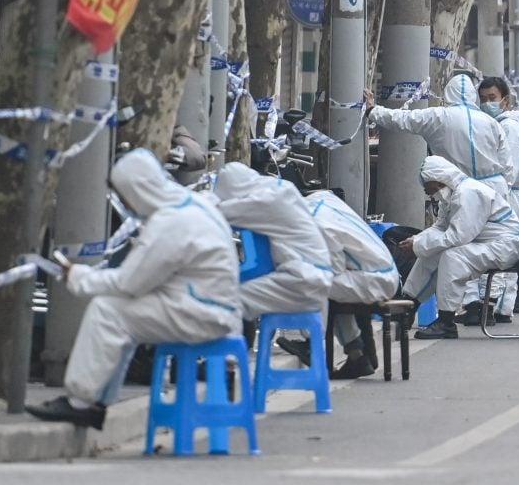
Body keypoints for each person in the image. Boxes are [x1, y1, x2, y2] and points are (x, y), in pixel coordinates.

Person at [25, 149, 242, 429]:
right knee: (124, 316)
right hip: (209, 307)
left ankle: (81, 401)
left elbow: (130, 283)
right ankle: (96, 399)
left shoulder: (170, 222)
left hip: (203, 314)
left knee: (108, 310)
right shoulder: (190, 205)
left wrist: (78, 277)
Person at [399, 156, 519, 339]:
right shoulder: (452, 194)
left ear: (438, 179)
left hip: (504, 246)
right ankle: (408, 304)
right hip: (484, 243)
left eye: (428, 185)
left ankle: (446, 321)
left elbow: (458, 236)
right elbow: (440, 228)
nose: (427, 191)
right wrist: (416, 241)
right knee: (432, 252)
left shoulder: (469, 193)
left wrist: (418, 245)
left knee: (453, 256)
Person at [299, 189, 400, 379]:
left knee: (315, 281)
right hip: (382, 273)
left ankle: (310, 342)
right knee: (334, 293)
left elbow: (331, 267)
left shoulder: (316, 222)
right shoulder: (324, 202)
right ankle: (357, 355)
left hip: (374, 279)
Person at [215, 162, 332, 319]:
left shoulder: (266, 201)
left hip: (301, 280)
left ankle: (236, 343)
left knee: (227, 301)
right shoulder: (280, 188)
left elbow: (218, 213)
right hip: (311, 275)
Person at [366, 73, 511, 199]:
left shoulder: (437, 117)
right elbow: (507, 164)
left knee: (458, 228)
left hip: (458, 190)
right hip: (494, 191)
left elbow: (402, 119)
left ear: (448, 93)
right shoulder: (492, 123)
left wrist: (372, 110)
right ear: (473, 96)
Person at [466, 76, 519, 322]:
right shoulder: (493, 125)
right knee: (503, 252)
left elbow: (510, 170)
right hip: (500, 195)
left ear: (505, 101)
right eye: (483, 99)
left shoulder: (509, 128)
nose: (487, 104)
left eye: (492, 98)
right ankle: (500, 308)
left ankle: (491, 306)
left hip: (505, 197)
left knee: (497, 251)